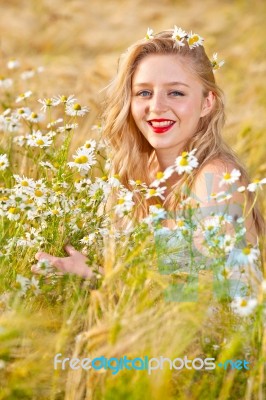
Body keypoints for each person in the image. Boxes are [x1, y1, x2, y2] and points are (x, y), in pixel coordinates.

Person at [32, 28, 264, 293]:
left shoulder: (217, 179)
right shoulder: (132, 175)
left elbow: (195, 299)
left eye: (176, 93)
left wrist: (96, 275)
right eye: (144, 93)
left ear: (206, 103)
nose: (156, 107)